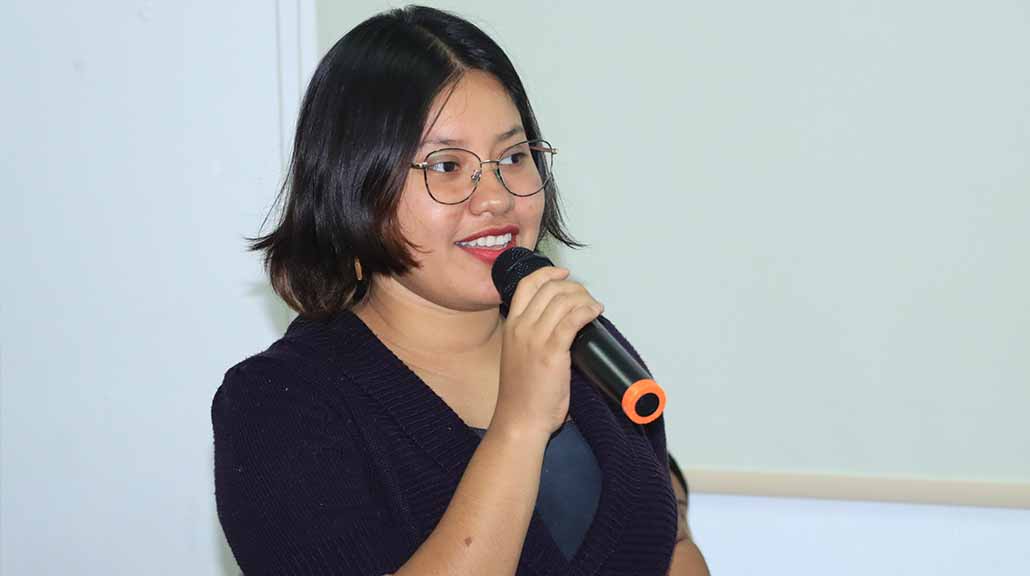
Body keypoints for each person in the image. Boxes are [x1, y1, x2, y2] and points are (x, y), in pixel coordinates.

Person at [211, 5, 709, 575]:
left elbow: (668, 547)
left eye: (514, 157)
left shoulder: (579, 343)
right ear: (356, 185)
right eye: (447, 165)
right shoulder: (278, 403)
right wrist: (520, 424)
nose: (496, 197)